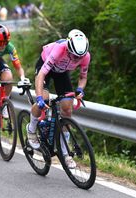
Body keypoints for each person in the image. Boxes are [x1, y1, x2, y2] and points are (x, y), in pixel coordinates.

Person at [26, 29, 90, 168]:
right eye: (74, 56)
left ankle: (65, 153)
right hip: (46, 68)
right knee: (44, 97)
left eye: (79, 58)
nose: (76, 60)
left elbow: (83, 76)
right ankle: (31, 129)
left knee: (67, 108)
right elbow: (42, 74)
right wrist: (39, 98)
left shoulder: (85, 56)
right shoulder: (59, 49)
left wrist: (80, 90)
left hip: (61, 72)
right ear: (68, 48)